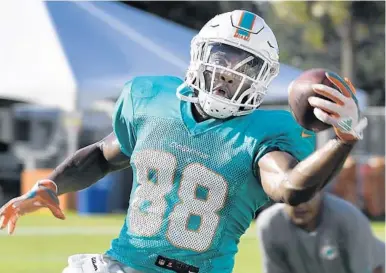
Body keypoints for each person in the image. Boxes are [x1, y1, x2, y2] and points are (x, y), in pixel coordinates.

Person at [0, 10, 367, 273]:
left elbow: (291, 188)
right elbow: (102, 154)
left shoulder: (265, 133)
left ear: (262, 78)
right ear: (200, 55)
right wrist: (53, 183)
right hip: (124, 265)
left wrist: (343, 140)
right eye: (223, 58)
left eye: (246, 68)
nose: (228, 75)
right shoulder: (152, 102)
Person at [256, 191, 385, 273]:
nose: (300, 205)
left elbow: (368, 268)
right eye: (293, 198)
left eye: (307, 197)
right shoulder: (270, 225)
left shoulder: (349, 218)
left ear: (321, 192)